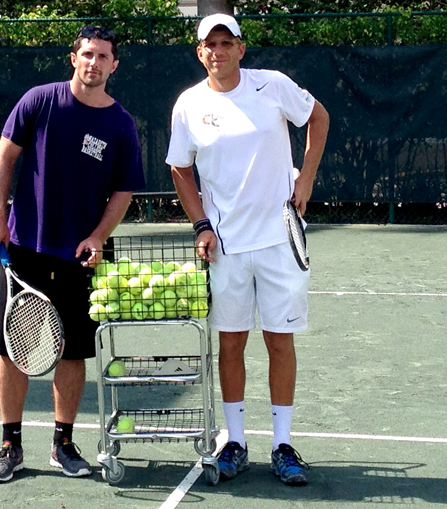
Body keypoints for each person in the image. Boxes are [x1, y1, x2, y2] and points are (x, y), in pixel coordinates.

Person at [166, 13, 329, 485]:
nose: (217, 51)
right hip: (227, 248)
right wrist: (201, 224)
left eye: (226, 42)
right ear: (200, 54)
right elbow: (181, 168)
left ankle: (282, 445)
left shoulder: (272, 86)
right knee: (231, 341)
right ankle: (234, 442)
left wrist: (307, 178)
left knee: (280, 341)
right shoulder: (188, 105)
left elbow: (318, 117)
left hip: (281, 239)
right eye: (209, 45)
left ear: (241, 48)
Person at [0, 26, 145, 483]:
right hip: (25, 249)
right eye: (87, 54)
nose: (94, 63)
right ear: (73, 58)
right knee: (13, 350)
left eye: (104, 57)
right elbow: (4, 159)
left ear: (114, 65)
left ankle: (63, 443)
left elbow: (123, 190)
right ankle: (10, 445)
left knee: (73, 352)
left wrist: (97, 236)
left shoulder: (121, 124)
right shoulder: (39, 100)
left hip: (81, 256)